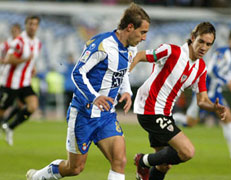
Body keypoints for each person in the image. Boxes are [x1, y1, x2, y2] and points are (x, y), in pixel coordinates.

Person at [26, 3, 150, 180]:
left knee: (119, 160)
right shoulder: (102, 45)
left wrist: (127, 91)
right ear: (130, 27)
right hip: (83, 113)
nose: (144, 37)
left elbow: (122, 73)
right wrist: (94, 97)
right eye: (143, 32)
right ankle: (38, 177)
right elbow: (78, 72)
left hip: (106, 115)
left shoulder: (132, 48)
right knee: (75, 168)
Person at [130, 22, 226, 180]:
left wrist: (213, 108)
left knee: (163, 165)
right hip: (149, 108)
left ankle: (145, 166)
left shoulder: (201, 68)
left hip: (165, 113)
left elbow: (202, 100)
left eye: (208, 44)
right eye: (201, 41)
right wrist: (123, 80)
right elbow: (140, 56)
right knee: (187, 151)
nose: (204, 47)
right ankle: (142, 161)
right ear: (193, 38)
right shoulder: (171, 51)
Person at [174, 28, 231, 163]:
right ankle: (168, 118)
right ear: (229, 40)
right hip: (206, 91)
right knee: (191, 122)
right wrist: (227, 82)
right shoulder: (222, 52)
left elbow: (227, 73)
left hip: (216, 92)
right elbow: (212, 69)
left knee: (223, 118)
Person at [0, 15, 41, 146]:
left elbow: (32, 59)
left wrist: (32, 67)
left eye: (35, 24)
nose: (32, 27)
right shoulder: (18, 41)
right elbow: (9, 59)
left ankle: (10, 127)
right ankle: (4, 124)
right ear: (26, 25)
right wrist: (25, 60)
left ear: (37, 26)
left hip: (24, 82)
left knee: (32, 106)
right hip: (10, 83)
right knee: (1, 110)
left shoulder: (37, 43)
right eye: (30, 24)